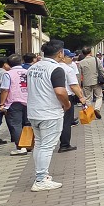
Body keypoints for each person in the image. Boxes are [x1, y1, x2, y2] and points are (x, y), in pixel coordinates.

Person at [25, 39, 71, 191]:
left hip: (33, 111)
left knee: (39, 144)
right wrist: (67, 104)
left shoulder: (33, 68)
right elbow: (60, 91)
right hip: (49, 112)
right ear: (60, 53)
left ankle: (41, 175)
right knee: (47, 146)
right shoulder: (56, 69)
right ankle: (40, 179)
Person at [0, 53, 31, 157]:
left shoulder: (8, 74)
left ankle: (21, 147)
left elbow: (5, 89)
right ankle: (29, 144)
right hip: (28, 100)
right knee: (27, 124)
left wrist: (2, 103)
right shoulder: (28, 72)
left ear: (8, 64)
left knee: (16, 125)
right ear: (21, 62)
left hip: (14, 101)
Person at [57, 49, 86, 152]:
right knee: (66, 121)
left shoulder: (52, 67)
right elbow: (73, 86)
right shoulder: (67, 69)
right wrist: (81, 98)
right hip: (66, 97)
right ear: (62, 57)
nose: (72, 59)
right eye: (70, 57)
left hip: (53, 98)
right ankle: (65, 144)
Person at [76, 46, 104, 118]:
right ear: (91, 52)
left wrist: (79, 85)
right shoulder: (96, 59)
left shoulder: (81, 63)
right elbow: (101, 70)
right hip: (96, 81)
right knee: (99, 96)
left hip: (86, 82)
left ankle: (90, 114)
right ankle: (97, 109)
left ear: (83, 53)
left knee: (87, 98)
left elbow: (79, 75)